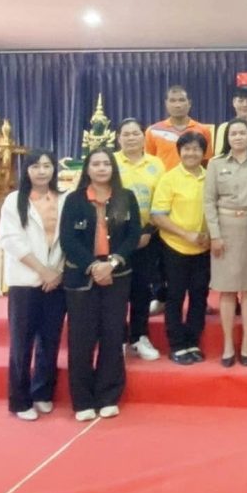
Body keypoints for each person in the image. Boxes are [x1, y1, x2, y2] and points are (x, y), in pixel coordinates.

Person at [59, 148, 141, 421]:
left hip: (117, 274)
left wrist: (112, 263)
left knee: (112, 335)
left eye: (107, 163)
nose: (102, 168)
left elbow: (133, 235)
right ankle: (82, 400)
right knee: (81, 339)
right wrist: (93, 266)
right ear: (87, 169)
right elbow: (68, 239)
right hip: (82, 275)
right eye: (96, 164)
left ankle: (108, 396)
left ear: (113, 168)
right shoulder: (74, 200)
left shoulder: (126, 197)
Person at [0, 149, 67, 421]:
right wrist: (43, 271)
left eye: (47, 166)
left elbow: (69, 239)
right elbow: (11, 240)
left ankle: (42, 392)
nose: (42, 171)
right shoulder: (14, 200)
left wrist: (57, 271)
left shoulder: (65, 199)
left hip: (56, 281)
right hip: (25, 281)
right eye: (35, 166)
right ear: (26, 170)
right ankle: (19, 400)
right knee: (22, 342)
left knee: (50, 340)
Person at [204, 118, 247, 367]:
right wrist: (215, 235)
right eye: (233, 134)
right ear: (227, 138)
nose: (238, 137)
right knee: (227, 289)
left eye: (242, 133)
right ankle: (228, 344)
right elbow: (209, 202)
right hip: (225, 229)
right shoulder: (215, 164)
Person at [151, 131, 211, 365]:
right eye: (186, 149)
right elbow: (158, 216)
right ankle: (176, 345)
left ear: (203, 152)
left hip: (203, 249)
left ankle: (192, 341)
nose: (191, 153)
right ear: (179, 152)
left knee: (199, 296)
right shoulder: (169, 179)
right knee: (175, 297)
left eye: (196, 149)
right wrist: (187, 235)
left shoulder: (210, 177)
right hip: (174, 247)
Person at [114, 118, 165, 361]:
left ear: (144, 137)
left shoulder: (156, 164)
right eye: (126, 134)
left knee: (142, 289)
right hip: (116, 238)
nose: (131, 138)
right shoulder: (110, 162)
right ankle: (118, 337)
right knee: (117, 290)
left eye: (136, 133)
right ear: (118, 138)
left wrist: (147, 231)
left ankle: (139, 336)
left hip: (147, 237)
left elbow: (161, 200)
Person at [145, 85, 214, 170]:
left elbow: (206, 162)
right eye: (172, 101)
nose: (177, 105)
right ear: (166, 104)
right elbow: (148, 162)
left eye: (181, 100)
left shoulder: (203, 130)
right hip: (163, 178)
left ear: (189, 103)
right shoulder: (153, 131)